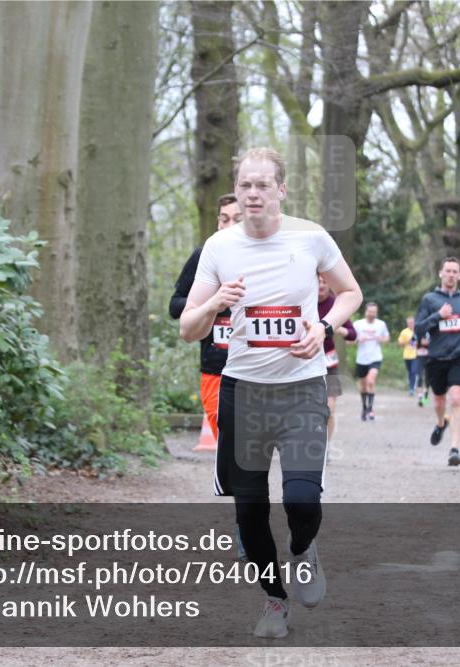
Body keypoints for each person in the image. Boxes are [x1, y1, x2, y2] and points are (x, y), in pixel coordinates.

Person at [179, 147, 362, 638]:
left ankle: (303, 549)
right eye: (245, 185)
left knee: (302, 500)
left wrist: (323, 327)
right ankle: (275, 601)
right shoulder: (219, 248)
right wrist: (217, 299)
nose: (253, 193)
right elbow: (187, 327)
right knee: (250, 511)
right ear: (236, 192)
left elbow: (350, 293)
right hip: (244, 394)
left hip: (301, 390)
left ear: (281, 189)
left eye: (263, 184)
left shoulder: (311, 239)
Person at [169, 194, 242, 440]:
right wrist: (213, 304)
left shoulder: (263, 258)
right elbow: (175, 305)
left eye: (237, 219)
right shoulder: (203, 256)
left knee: (249, 450)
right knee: (226, 445)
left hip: (254, 369)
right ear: (218, 223)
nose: (229, 225)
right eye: (224, 219)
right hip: (215, 367)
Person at [414, 257, 460, 467]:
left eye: (455, 271)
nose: (451, 275)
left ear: (459, 275)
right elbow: (419, 329)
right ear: (440, 273)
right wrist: (438, 316)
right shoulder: (429, 299)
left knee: (456, 399)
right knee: (439, 401)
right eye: (447, 271)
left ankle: (454, 449)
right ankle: (441, 423)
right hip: (436, 357)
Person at [318, 275, 357, 443]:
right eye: (318, 281)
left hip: (329, 362)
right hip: (305, 361)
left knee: (329, 407)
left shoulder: (335, 304)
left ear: (329, 284)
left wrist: (338, 328)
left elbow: (352, 334)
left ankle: (326, 445)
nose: (321, 285)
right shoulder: (304, 300)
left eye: (325, 282)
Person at [352, 302, 389, 421]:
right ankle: (364, 408)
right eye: (370, 312)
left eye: (374, 312)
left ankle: (371, 409)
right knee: (363, 385)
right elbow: (349, 341)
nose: (372, 314)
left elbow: (387, 338)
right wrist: (358, 340)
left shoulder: (381, 324)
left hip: (375, 357)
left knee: (371, 381)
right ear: (366, 312)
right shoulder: (358, 324)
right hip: (361, 359)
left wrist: (381, 339)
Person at [397, 316, 419, 395]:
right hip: (407, 355)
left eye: (412, 323)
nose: (411, 324)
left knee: (414, 371)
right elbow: (400, 343)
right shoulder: (404, 332)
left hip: (416, 355)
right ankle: (411, 385)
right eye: (409, 323)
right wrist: (407, 341)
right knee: (410, 372)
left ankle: (412, 388)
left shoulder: (418, 330)